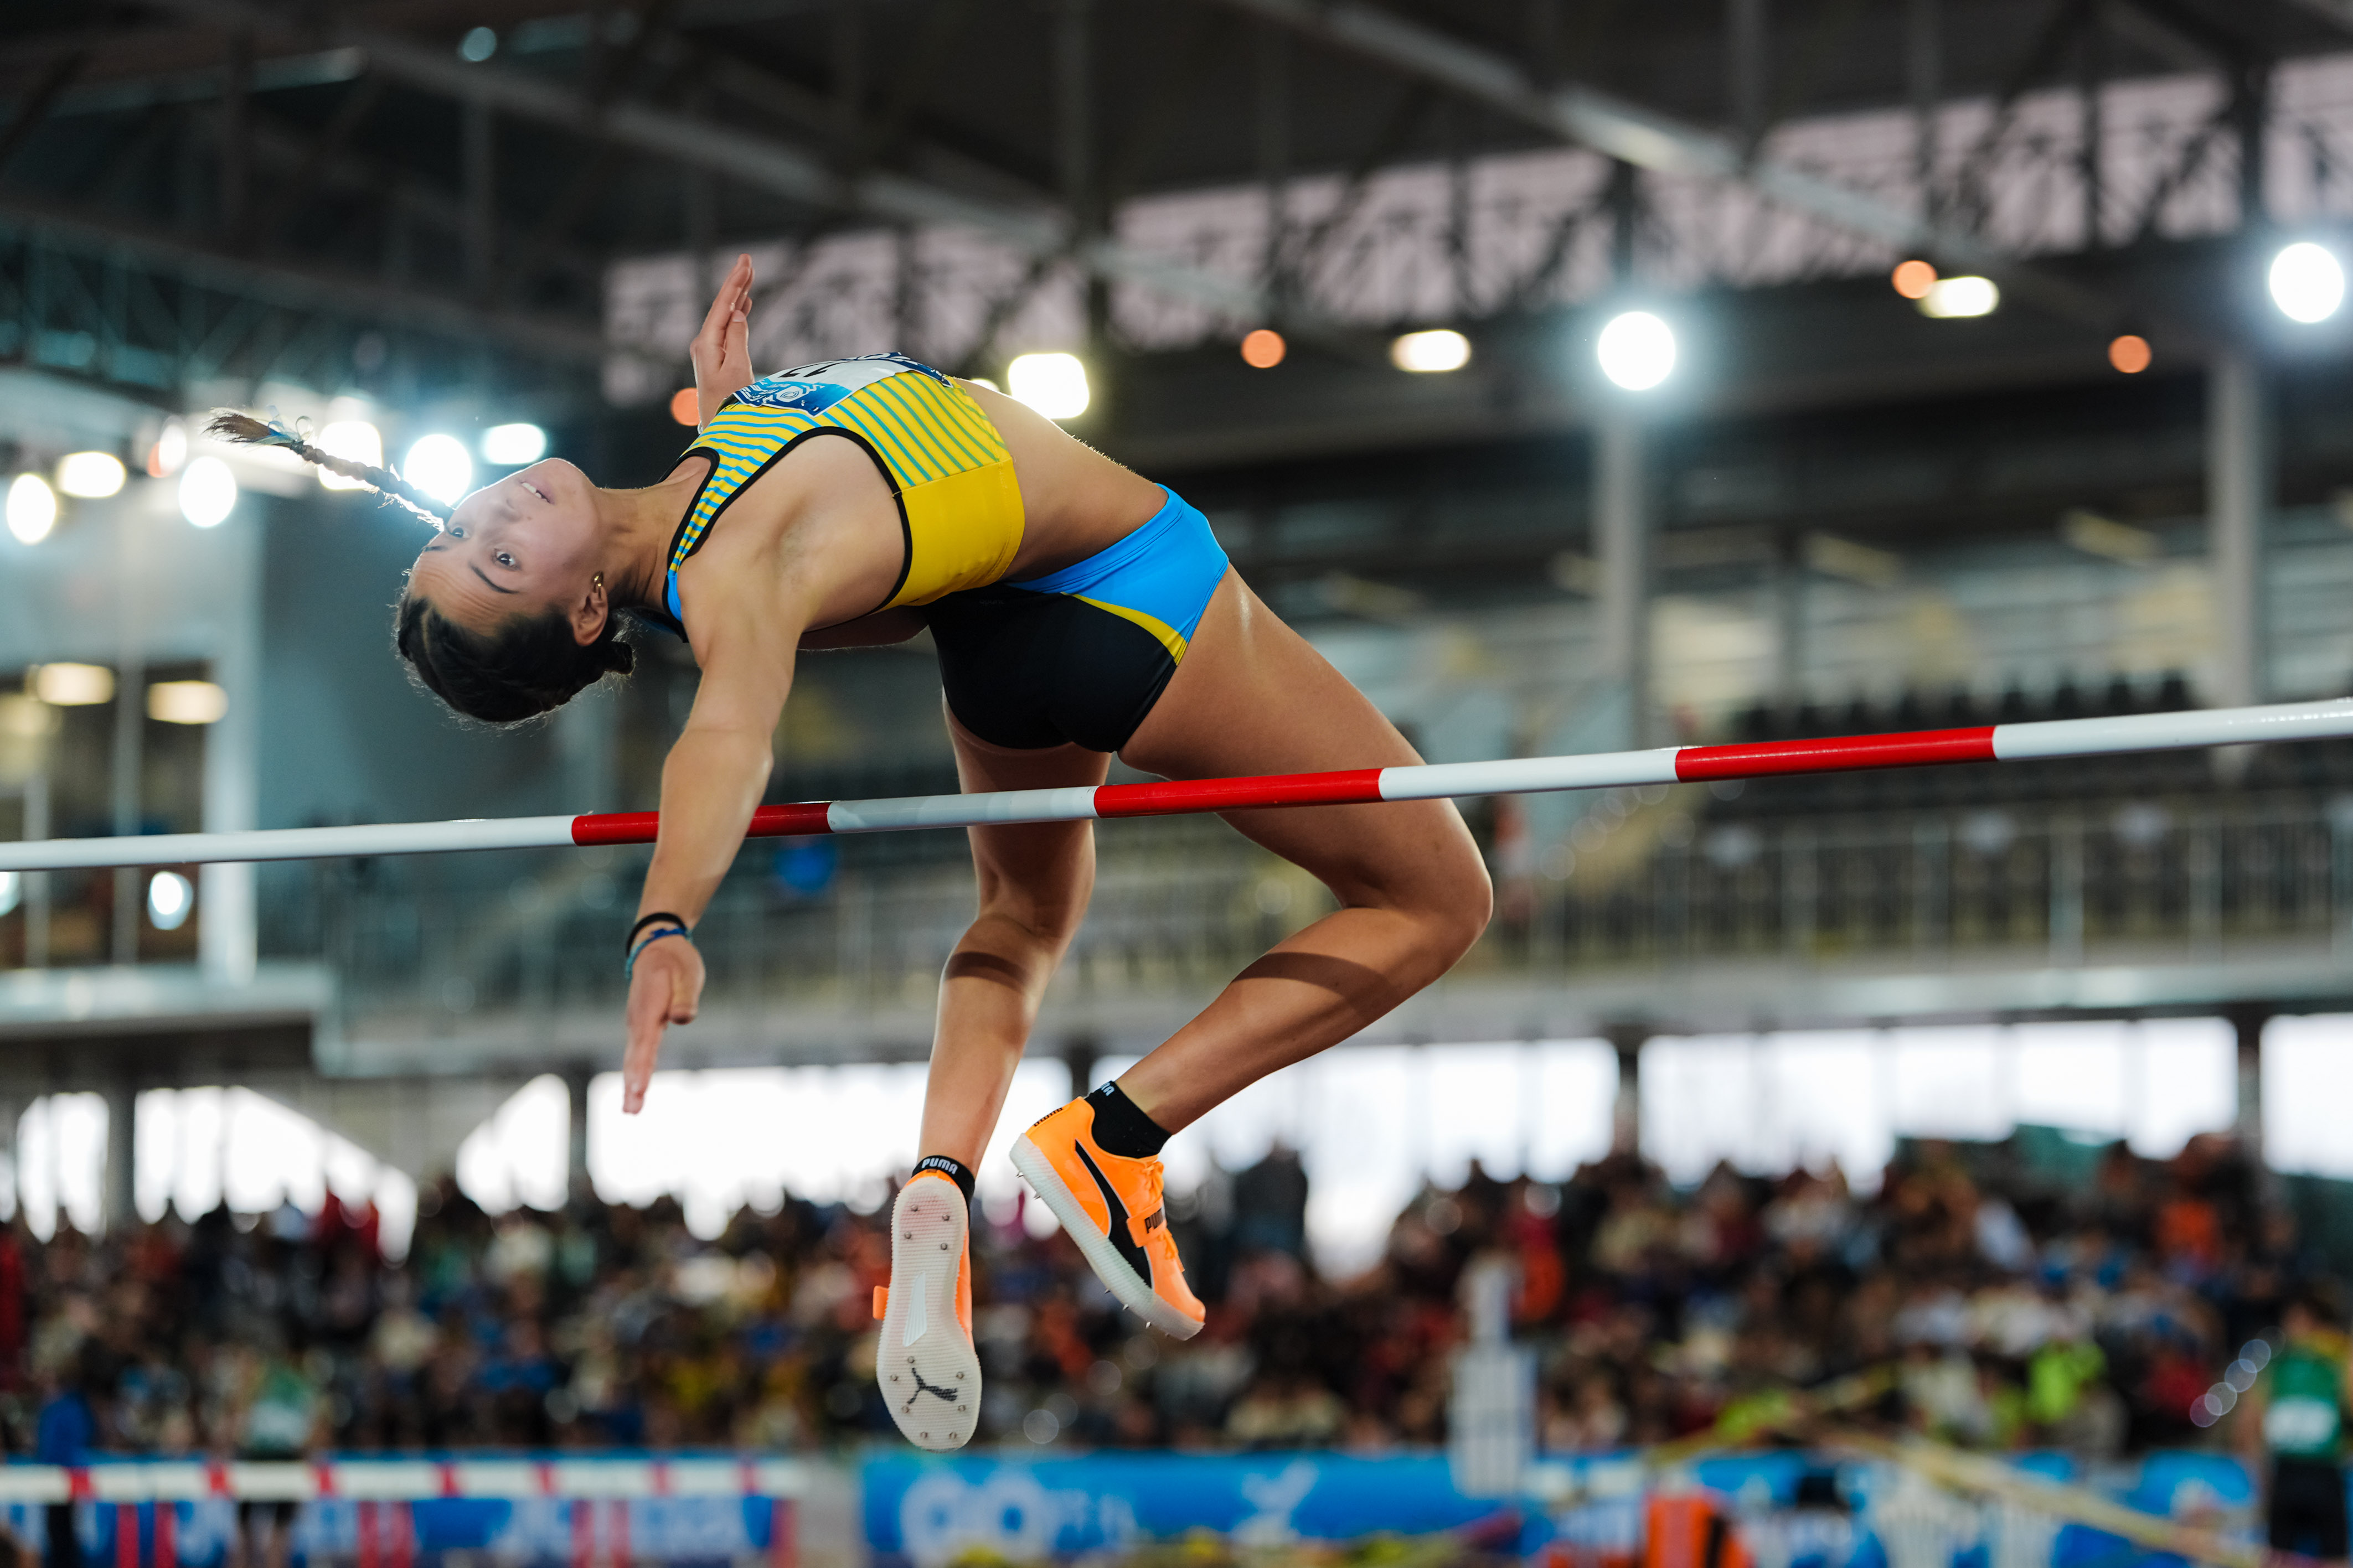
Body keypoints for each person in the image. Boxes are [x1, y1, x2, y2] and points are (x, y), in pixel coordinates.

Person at [215, 253, 1490, 1452]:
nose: (488, 514)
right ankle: (1118, 1135)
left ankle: (940, 1181)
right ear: (589, 608)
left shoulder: (707, 482)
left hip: (1001, 627)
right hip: (1123, 580)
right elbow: (725, 737)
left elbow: (814, 494)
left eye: (457, 532)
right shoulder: (733, 572)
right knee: (1436, 898)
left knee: (1021, 917)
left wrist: (736, 406)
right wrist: (664, 918)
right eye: (499, 558)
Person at [2242, 1288, 2353, 1560]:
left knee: (2288, 1558)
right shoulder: (2334, 1360)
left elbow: (2248, 1425)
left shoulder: (2329, 1362)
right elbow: (2249, 1424)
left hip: (2310, 1474)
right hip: (2303, 1475)